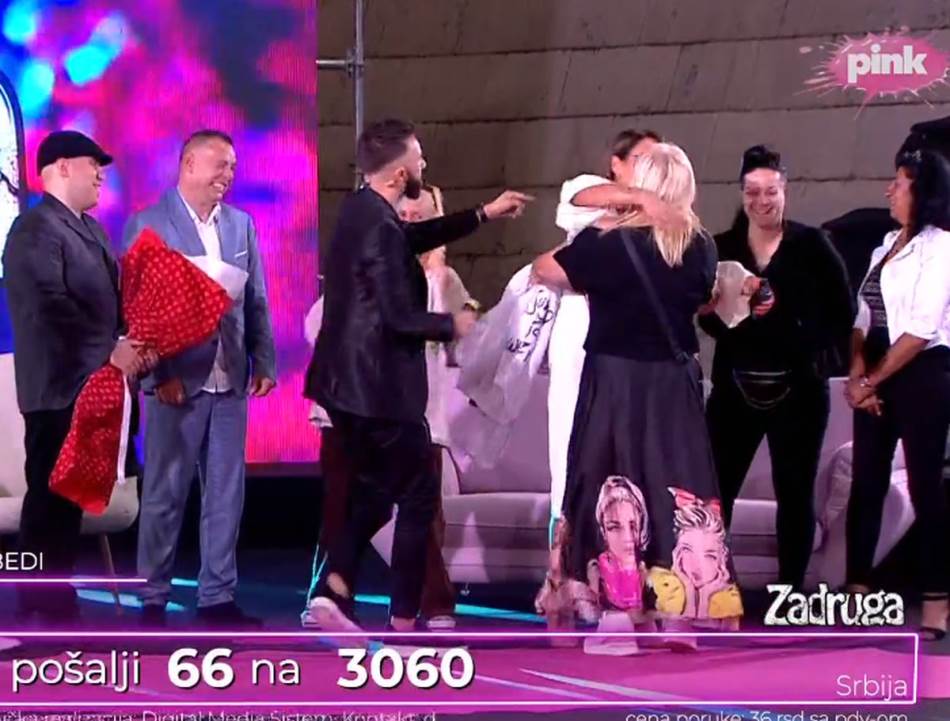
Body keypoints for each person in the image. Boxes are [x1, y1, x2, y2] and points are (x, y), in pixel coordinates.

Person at [303, 118, 530, 636]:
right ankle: (403, 619)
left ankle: (334, 587)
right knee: (418, 493)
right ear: (399, 172)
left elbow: (409, 237)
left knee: (377, 491)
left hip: (347, 388)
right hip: (377, 390)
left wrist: (483, 213)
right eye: (418, 157)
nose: (423, 164)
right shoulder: (379, 227)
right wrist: (453, 324)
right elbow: (398, 318)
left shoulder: (363, 210)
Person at [532, 142, 742, 653]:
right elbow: (703, 296)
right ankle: (677, 617)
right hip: (675, 383)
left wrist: (611, 218)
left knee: (611, 486)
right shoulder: (700, 246)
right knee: (677, 487)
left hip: (616, 382)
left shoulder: (607, 243)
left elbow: (544, 269)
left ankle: (617, 618)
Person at [3, 130, 154, 623]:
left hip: (93, 391)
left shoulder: (91, 231)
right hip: (57, 391)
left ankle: (54, 603)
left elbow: (110, 306)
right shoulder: (34, 229)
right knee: (48, 503)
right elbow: (49, 308)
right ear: (62, 167)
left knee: (67, 504)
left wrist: (134, 340)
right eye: (93, 165)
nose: (101, 175)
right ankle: (38, 607)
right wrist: (110, 351)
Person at [127, 129, 276, 627]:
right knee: (165, 493)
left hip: (229, 379)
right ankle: (152, 597)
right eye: (220, 164)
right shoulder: (149, 223)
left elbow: (256, 299)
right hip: (176, 384)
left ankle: (217, 597)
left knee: (226, 495)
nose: (227, 175)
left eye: (232, 166)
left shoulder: (241, 225)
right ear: (189, 164)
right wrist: (158, 376)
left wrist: (264, 361)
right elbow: (137, 310)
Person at [698, 145, 853, 591]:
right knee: (715, 492)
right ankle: (712, 587)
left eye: (770, 191)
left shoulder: (813, 245)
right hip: (734, 388)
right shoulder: (721, 247)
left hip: (799, 391)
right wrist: (716, 310)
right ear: (741, 193)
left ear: (785, 190)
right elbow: (709, 320)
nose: (761, 200)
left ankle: (789, 593)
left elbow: (841, 316)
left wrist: (791, 324)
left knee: (795, 493)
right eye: (752, 191)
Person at [548, 130, 681, 535]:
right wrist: (641, 199)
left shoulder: (667, 216)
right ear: (616, 164)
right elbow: (578, 200)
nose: (647, 169)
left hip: (633, 337)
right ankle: (565, 535)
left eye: (656, 160)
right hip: (582, 322)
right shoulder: (591, 190)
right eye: (640, 159)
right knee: (573, 430)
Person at [844, 148, 950, 640]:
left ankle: (936, 601)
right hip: (876, 369)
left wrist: (873, 381)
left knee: (927, 486)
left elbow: (922, 329)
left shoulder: (942, 248)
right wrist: (856, 375)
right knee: (866, 482)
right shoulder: (884, 245)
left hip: (922, 372)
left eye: (900, 183)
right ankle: (857, 590)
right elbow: (862, 317)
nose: (889, 190)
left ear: (922, 193)